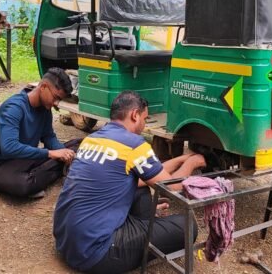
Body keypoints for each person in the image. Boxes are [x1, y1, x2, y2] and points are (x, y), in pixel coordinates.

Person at [53, 91, 206, 274]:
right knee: (187, 225)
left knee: (139, 188)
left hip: (67, 242)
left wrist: (181, 159)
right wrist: (193, 162)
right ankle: (134, 235)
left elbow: (152, 173)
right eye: (145, 118)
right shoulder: (134, 144)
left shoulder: (91, 140)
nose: (144, 124)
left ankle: (141, 222)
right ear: (134, 115)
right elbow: (172, 187)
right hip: (97, 254)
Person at [0, 67, 77, 198]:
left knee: (77, 145)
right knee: (22, 185)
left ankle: (55, 168)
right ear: (43, 87)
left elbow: (48, 136)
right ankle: (53, 170)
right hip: (2, 166)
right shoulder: (14, 108)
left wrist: (64, 153)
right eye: (55, 98)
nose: (56, 104)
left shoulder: (45, 108)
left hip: (26, 158)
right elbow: (9, 148)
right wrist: (50, 153)